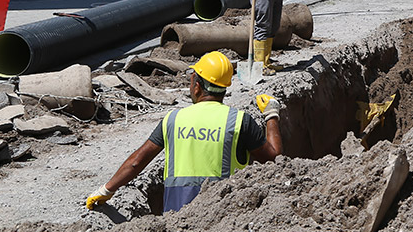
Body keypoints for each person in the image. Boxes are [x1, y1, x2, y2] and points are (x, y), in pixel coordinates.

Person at [85, 52, 283, 213]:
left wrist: (106, 189)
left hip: (177, 219)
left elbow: (137, 161)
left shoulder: (173, 120)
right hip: (224, 216)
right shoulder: (240, 121)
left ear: (196, 85)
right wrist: (271, 114)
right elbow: (274, 158)